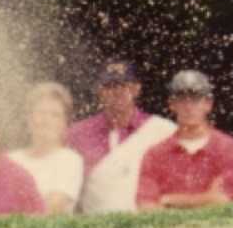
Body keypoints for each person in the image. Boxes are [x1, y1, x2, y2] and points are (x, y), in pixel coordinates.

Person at [67, 59, 175, 213]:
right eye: (110, 86)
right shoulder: (79, 133)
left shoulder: (162, 130)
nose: (117, 91)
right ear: (100, 90)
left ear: (137, 88)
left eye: (124, 85)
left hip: (149, 225)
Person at [136, 70, 233, 210]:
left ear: (208, 103)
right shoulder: (155, 154)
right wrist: (206, 199)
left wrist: (168, 200)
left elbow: (225, 200)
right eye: (182, 99)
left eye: (195, 98)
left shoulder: (227, 147)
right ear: (172, 104)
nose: (188, 107)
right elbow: (146, 206)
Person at [9, 82, 84, 214]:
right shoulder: (10, 159)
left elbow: (53, 206)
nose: (46, 120)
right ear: (29, 119)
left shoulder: (70, 160)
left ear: (65, 124)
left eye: (55, 114)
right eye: (41, 113)